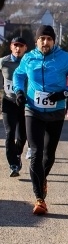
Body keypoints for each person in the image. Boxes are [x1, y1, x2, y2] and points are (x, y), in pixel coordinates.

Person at [13, 24, 68, 215]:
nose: (45, 42)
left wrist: (64, 93)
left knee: (49, 155)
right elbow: (18, 75)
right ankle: (39, 199)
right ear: (36, 41)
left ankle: (42, 179)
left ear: (54, 41)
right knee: (35, 152)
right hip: (32, 110)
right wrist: (19, 91)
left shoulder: (65, 59)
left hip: (55, 113)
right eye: (42, 38)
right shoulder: (29, 57)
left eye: (49, 39)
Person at [1, 36, 26, 176]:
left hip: (24, 103)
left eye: (21, 46)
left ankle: (17, 154)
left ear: (25, 48)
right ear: (11, 47)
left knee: (23, 135)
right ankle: (13, 165)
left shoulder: (28, 62)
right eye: (15, 45)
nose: (18, 48)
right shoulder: (3, 62)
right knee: (10, 133)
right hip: (8, 102)